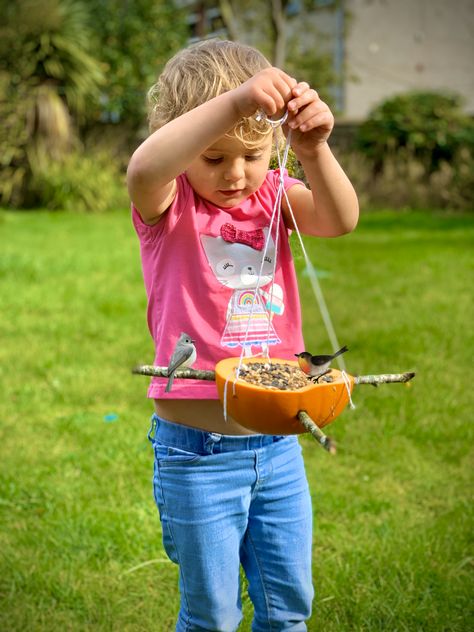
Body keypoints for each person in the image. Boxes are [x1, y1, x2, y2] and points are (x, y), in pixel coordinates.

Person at [127, 39, 358, 632]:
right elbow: (145, 167)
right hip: (196, 456)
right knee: (212, 616)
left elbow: (340, 218)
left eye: (252, 154)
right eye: (213, 157)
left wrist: (314, 147)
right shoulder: (170, 205)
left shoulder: (274, 195)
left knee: (288, 610)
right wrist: (233, 105)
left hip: (279, 447)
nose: (235, 173)